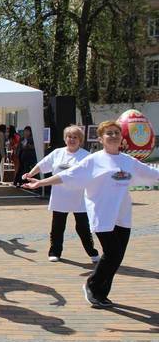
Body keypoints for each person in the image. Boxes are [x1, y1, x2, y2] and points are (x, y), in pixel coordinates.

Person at [23, 120, 159, 308]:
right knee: (112, 253)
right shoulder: (94, 160)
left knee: (116, 257)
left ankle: (101, 295)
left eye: (116, 133)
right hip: (102, 215)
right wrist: (40, 183)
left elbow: (152, 173)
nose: (113, 136)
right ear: (101, 139)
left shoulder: (128, 161)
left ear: (121, 137)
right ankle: (92, 285)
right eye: (108, 133)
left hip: (122, 216)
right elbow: (68, 175)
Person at [22, 125, 100, 263]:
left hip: (79, 197)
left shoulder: (86, 156)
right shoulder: (57, 153)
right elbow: (42, 164)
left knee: (83, 227)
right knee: (57, 226)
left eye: (75, 137)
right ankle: (55, 251)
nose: (72, 139)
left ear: (80, 140)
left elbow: (95, 174)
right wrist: (30, 174)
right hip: (60, 196)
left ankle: (92, 252)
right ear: (65, 139)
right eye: (69, 137)